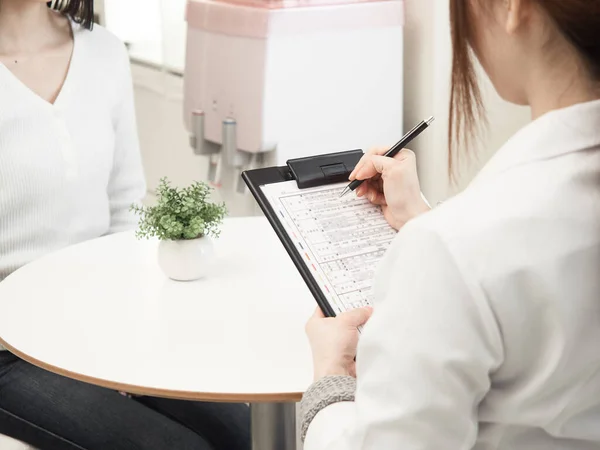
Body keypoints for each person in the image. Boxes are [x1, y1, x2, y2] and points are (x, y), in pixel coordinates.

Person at [301, 0, 600, 448]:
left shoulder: (453, 247)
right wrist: (424, 218)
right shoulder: (466, 240)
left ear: (513, 8)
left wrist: (330, 384)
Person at [0, 1, 250, 449]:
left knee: (247, 432)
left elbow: (123, 208)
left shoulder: (104, 53)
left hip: (99, 323)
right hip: (8, 351)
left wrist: (118, 335)